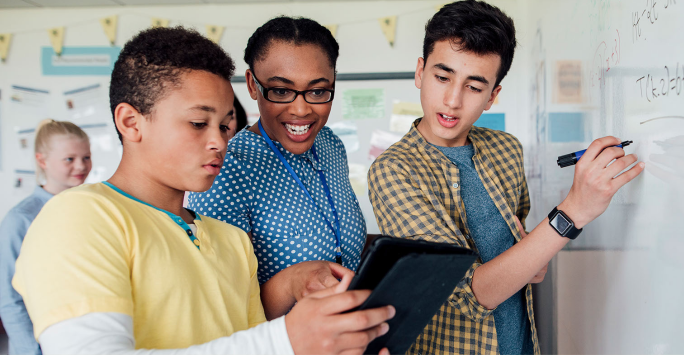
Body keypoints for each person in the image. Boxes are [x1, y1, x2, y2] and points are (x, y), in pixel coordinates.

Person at [12, 27, 394, 355]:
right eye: (198, 123)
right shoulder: (79, 218)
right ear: (131, 122)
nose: (219, 142)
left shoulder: (230, 241)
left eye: (226, 126)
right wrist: (288, 338)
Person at [367, 1, 644, 354]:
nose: (452, 100)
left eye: (474, 86)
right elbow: (469, 295)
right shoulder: (394, 170)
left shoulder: (506, 149)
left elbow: (522, 248)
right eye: (442, 76)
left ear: (492, 96)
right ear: (420, 72)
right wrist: (574, 210)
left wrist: (532, 259)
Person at [188, 16, 367, 319]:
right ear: (252, 85)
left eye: (318, 91)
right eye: (281, 91)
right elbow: (224, 307)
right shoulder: (227, 168)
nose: (301, 109)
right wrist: (292, 283)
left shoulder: (330, 145)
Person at [0, 119, 91, 355]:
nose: (81, 166)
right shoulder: (21, 219)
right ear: (42, 161)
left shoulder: (93, 209)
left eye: (86, 157)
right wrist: (31, 351)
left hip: (89, 338)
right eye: (69, 159)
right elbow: (9, 299)